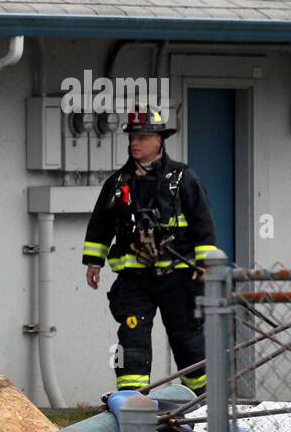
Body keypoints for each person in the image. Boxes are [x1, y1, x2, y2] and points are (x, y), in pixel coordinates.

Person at [83, 108, 218, 393]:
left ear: (159, 140)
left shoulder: (183, 179)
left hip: (178, 277)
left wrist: (206, 264)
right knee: (131, 341)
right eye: (133, 137)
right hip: (133, 279)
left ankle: (201, 406)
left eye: (143, 137)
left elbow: (203, 223)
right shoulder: (118, 183)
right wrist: (93, 262)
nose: (135, 143)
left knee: (188, 341)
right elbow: (100, 224)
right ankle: (130, 406)